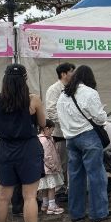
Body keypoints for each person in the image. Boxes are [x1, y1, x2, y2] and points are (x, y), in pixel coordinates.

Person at [0, 64, 51, 222]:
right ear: (24, 79)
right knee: (29, 195)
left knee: (3, 195)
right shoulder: (33, 100)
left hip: (6, 149)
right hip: (28, 148)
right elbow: (42, 123)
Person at [57, 65, 111, 222]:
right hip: (88, 136)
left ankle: (76, 213)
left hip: (71, 138)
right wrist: (102, 112)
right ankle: (99, 213)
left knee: (75, 177)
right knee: (96, 175)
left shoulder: (63, 95)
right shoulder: (90, 92)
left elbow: (60, 118)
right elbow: (100, 118)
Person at [45, 62, 75, 199]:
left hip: (72, 131)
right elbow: (51, 111)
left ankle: (70, 188)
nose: (73, 74)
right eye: (71, 71)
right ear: (63, 74)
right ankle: (60, 190)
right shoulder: (54, 89)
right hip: (60, 132)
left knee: (71, 162)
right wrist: (66, 121)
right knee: (62, 162)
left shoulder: (72, 88)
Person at [38, 119, 65, 215]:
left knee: (45, 187)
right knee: (51, 187)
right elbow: (47, 156)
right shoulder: (46, 141)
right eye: (52, 130)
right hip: (49, 169)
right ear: (46, 129)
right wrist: (53, 166)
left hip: (42, 169)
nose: (52, 133)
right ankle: (52, 206)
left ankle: (45, 204)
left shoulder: (39, 139)